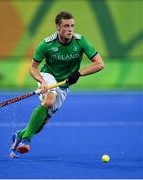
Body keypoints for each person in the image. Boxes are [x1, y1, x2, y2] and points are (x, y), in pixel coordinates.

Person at [9, 11, 105, 158]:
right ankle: (26, 141)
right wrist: (42, 82)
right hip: (48, 77)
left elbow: (100, 64)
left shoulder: (80, 41)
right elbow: (33, 68)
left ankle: (20, 135)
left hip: (64, 85)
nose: (70, 29)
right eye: (66, 26)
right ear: (58, 28)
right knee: (50, 99)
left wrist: (79, 73)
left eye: (72, 26)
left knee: (41, 123)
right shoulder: (46, 45)